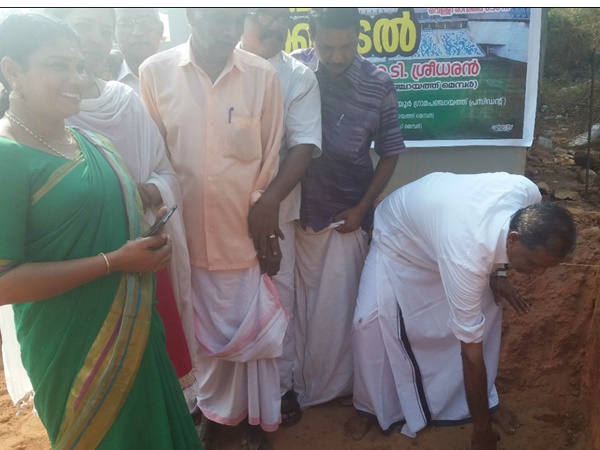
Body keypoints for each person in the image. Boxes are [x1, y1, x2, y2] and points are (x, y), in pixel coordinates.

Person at [0, 13, 201, 449]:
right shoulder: (6, 156)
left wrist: (147, 245)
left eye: (79, 66)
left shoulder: (94, 144)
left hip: (137, 327)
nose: (76, 78)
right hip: (73, 350)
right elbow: (4, 283)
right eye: (58, 65)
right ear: (12, 70)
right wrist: (115, 262)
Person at [345, 172, 576, 450]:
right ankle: (368, 408)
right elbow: (470, 354)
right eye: (534, 263)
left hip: (445, 235)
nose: (538, 273)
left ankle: (487, 401)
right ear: (513, 240)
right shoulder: (467, 257)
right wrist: (482, 431)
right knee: (366, 324)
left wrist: (499, 271)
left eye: (546, 267)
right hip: (399, 241)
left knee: (488, 307)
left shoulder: (526, 191)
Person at [139, 8, 285, 450]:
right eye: (216, 18)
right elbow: (154, 154)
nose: (227, 30)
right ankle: (213, 414)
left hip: (242, 233)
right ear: (190, 15)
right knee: (196, 335)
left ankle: (250, 420)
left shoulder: (262, 76)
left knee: (248, 335)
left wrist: (263, 213)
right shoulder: (155, 72)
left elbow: (270, 154)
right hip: (184, 236)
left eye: (235, 20)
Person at [44, 7, 199, 412]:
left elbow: (166, 172)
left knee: (154, 369)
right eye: (83, 27)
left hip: (144, 252)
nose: (95, 38)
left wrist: (149, 191)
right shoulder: (44, 114)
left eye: (103, 29)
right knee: (94, 382)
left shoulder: (125, 100)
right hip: (82, 262)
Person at [290, 7, 405, 408]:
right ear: (312, 36)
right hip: (292, 213)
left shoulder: (378, 83)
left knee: (337, 312)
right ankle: (293, 383)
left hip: (344, 216)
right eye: (327, 47)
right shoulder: (293, 72)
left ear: (359, 36)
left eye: (347, 47)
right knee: (294, 307)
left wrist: (362, 206)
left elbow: (390, 152)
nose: (337, 57)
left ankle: (338, 387)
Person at [240, 7, 322, 427]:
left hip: (278, 212)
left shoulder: (298, 77)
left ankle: (281, 387)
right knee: (224, 299)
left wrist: (269, 203)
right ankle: (225, 398)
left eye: (280, 17)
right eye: (263, 15)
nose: (273, 25)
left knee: (278, 300)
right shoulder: (217, 64)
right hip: (219, 211)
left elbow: (303, 145)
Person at [113, 8, 164, 94]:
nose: (137, 32)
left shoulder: (179, 76)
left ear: (160, 30)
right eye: (126, 24)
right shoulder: (101, 84)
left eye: (146, 22)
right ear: (113, 33)